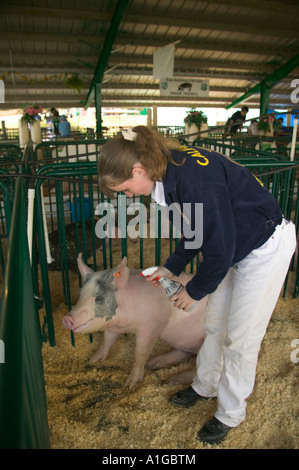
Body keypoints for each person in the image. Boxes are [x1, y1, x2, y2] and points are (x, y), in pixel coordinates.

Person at [97, 125, 296, 445]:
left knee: (241, 338)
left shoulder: (190, 180)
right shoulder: (169, 171)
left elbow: (219, 249)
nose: (129, 195)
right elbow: (197, 232)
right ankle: (205, 385)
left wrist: (193, 291)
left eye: (125, 189)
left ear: (138, 169)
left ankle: (230, 413)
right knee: (216, 323)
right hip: (234, 248)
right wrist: (170, 267)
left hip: (262, 249)